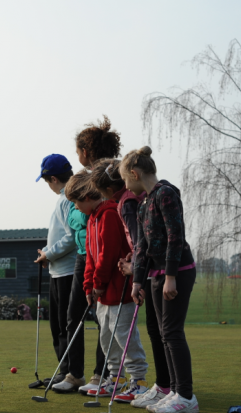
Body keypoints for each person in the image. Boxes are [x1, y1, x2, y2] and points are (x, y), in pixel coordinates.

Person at [91, 158, 171, 406]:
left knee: (158, 334)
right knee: (154, 333)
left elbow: (139, 241)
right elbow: (139, 244)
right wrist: (135, 259)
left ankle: (145, 383)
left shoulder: (125, 203)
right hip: (145, 270)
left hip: (144, 276)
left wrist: (135, 267)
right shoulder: (131, 200)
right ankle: (148, 383)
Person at [125, 146, 199, 413]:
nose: (125, 185)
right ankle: (167, 388)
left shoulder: (166, 194)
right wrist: (137, 282)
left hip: (177, 272)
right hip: (156, 275)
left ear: (134, 173)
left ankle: (186, 397)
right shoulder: (144, 202)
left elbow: (175, 236)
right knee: (158, 333)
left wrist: (170, 277)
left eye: (125, 180)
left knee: (172, 332)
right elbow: (142, 246)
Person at [66, 170, 148, 398]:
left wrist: (99, 284)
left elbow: (108, 254)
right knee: (106, 337)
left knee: (124, 335)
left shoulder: (109, 213)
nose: (75, 208)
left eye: (75, 203)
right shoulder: (93, 218)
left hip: (119, 289)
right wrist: (88, 287)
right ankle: (115, 378)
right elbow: (90, 258)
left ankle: (138, 379)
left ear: (87, 196)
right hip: (101, 292)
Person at [68, 115, 123, 396]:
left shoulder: (109, 178)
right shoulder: (83, 181)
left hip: (109, 260)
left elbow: (109, 236)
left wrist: (96, 279)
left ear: (85, 152)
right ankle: (77, 373)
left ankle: (106, 375)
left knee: (109, 322)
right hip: (87, 255)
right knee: (78, 315)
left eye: (77, 151)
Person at [34, 154, 77, 388]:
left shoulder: (68, 199)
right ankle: (64, 370)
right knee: (58, 325)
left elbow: (71, 238)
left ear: (52, 179)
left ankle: (69, 372)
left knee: (64, 325)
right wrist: (47, 254)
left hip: (67, 271)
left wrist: (48, 254)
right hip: (57, 270)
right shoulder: (65, 198)